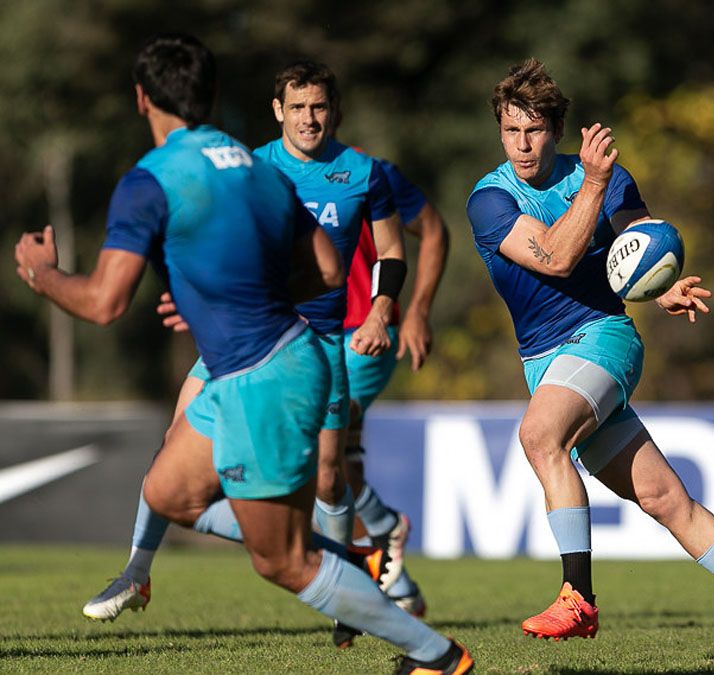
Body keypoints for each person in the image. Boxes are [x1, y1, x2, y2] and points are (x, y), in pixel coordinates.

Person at [16, 34, 472, 674]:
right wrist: (228, 298)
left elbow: (103, 304)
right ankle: (332, 559)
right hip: (265, 359)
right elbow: (326, 269)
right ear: (217, 98)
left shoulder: (150, 181)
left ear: (142, 98)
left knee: (283, 561)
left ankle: (437, 656)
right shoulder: (255, 167)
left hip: (265, 375)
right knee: (167, 490)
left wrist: (42, 273)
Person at [465, 59, 714, 664]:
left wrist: (662, 283)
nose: (523, 144)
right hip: (543, 363)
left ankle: (578, 596)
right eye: (511, 130)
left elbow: (637, 246)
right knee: (664, 499)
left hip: (603, 339)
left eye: (535, 130)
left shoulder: (607, 177)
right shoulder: (490, 200)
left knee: (539, 436)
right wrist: (593, 189)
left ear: (557, 130)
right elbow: (554, 258)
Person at [342, 157, 450, 620]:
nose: (310, 118)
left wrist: (418, 310)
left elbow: (433, 230)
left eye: (320, 106)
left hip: (364, 333)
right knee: (335, 458)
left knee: (315, 442)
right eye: (298, 106)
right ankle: (393, 575)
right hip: (299, 335)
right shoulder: (269, 166)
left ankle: (382, 533)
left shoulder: (371, 173)